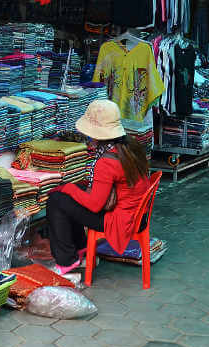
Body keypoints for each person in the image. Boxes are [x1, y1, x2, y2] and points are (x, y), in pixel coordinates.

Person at [46, 99, 151, 275]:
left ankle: (66, 261)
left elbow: (95, 205)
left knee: (56, 200)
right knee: (71, 195)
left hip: (121, 221)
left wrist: (68, 188)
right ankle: (80, 249)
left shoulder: (106, 162)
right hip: (136, 214)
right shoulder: (129, 146)